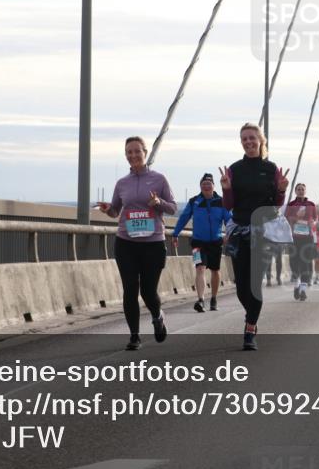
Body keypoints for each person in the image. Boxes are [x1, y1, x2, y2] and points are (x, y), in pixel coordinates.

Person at [99, 136, 177, 351]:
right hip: (126, 243)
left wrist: (158, 203)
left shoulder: (159, 180)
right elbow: (116, 211)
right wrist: (108, 210)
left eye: (137, 151)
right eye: (129, 152)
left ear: (145, 153)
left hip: (152, 243)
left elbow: (172, 209)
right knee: (129, 289)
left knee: (148, 292)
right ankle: (134, 336)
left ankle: (157, 316)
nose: (133, 155)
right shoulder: (122, 183)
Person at [220, 123, 289, 350]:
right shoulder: (234, 169)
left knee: (255, 284)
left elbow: (277, 203)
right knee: (241, 287)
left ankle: (250, 329)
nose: (248, 142)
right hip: (240, 230)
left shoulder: (270, 169)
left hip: (263, 232)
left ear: (261, 140)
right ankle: (251, 316)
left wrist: (281, 190)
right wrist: (227, 188)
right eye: (244, 139)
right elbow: (229, 205)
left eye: (252, 138)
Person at [172, 173, 231, 313]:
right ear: (200, 186)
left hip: (215, 242)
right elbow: (184, 217)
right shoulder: (194, 202)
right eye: (203, 183)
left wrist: (228, 234)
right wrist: (175, 233)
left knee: (215, 270)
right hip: (197, 242)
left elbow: (229, 220)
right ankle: (200, 300)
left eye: (209, 183)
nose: (206, 186)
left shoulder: (221, 202)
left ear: (213, 186)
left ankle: (214, 298)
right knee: (200, 268)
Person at [285, 183, 318, 301]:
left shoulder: (311, 205)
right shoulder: (291, 204)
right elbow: (287, 219)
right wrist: (296, 219)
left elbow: (315, 219)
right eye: (298, 189)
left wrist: (312, 223)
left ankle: (303, 290)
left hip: (307, 237)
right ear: (295, 191)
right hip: (294, 238)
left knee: (305, 263)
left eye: (302, 189)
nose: (300, 191)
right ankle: (296, 285)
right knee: (294, 263)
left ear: (305, 191)